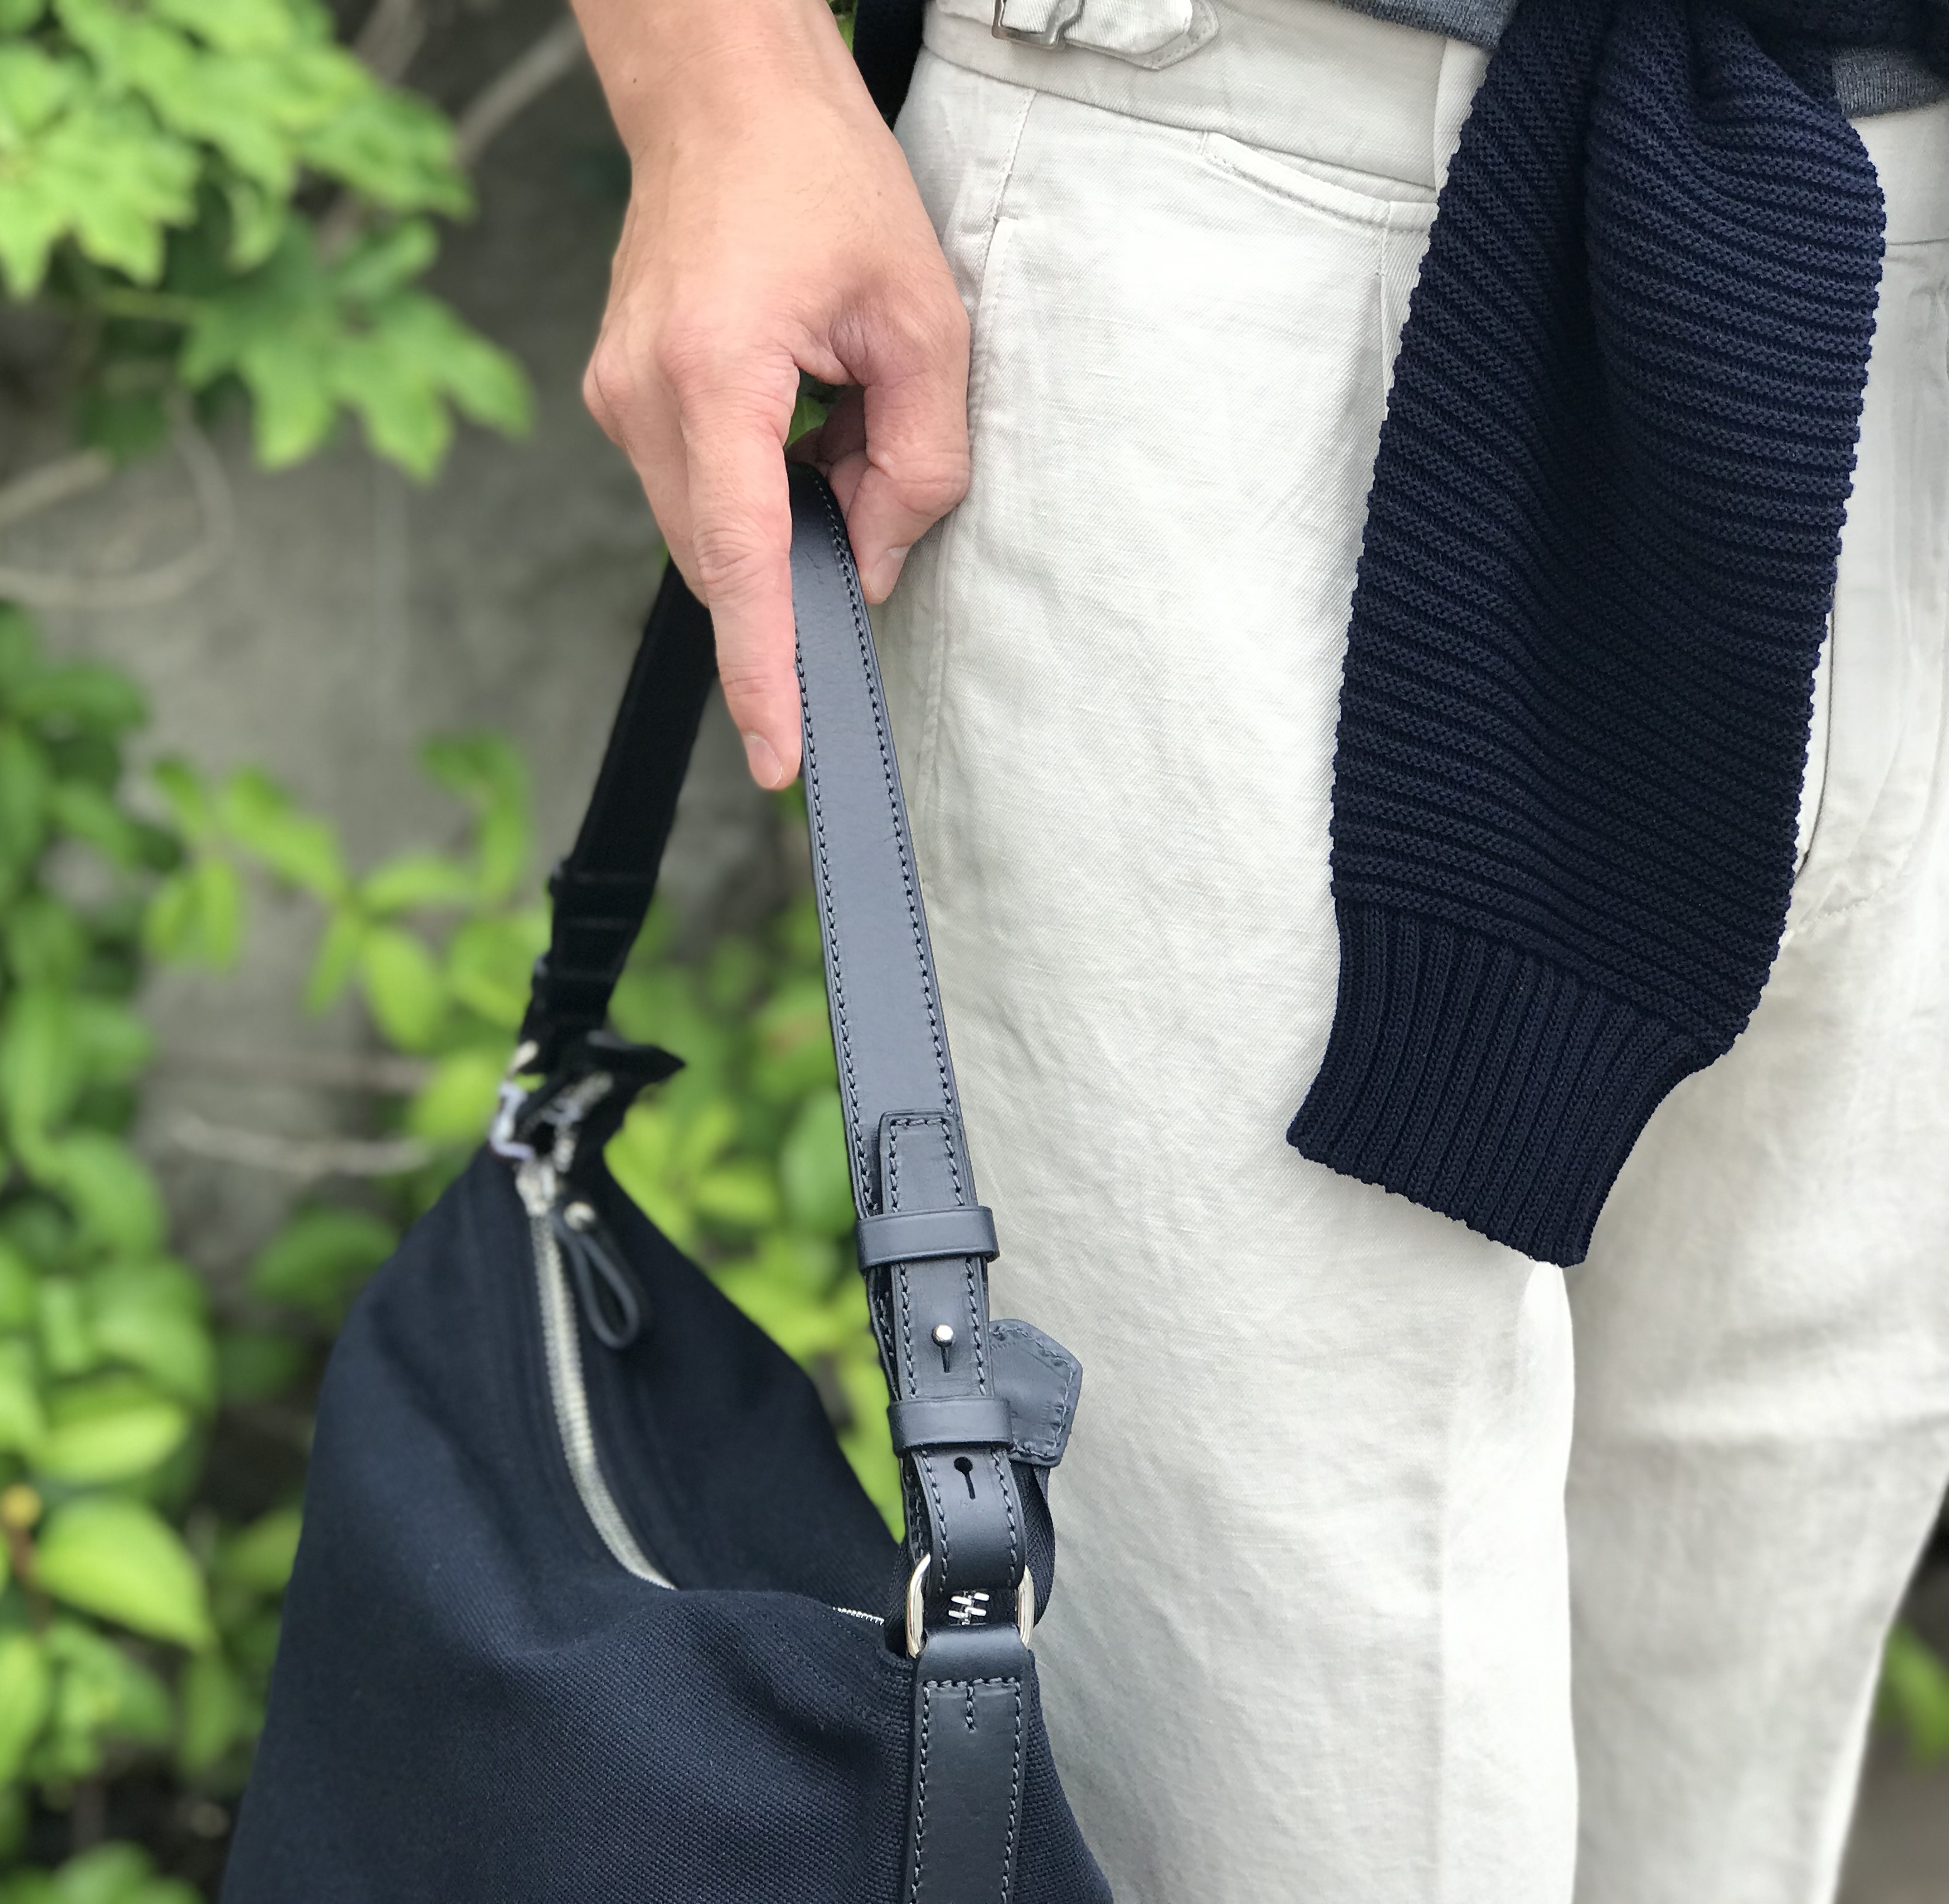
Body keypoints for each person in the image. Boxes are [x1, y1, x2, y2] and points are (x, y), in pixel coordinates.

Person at [563, 0, 1949, 1899]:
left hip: (1905, 289)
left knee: (1736, 1721)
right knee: (1291, 1789)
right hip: (1247, 196)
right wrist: (720, 84)